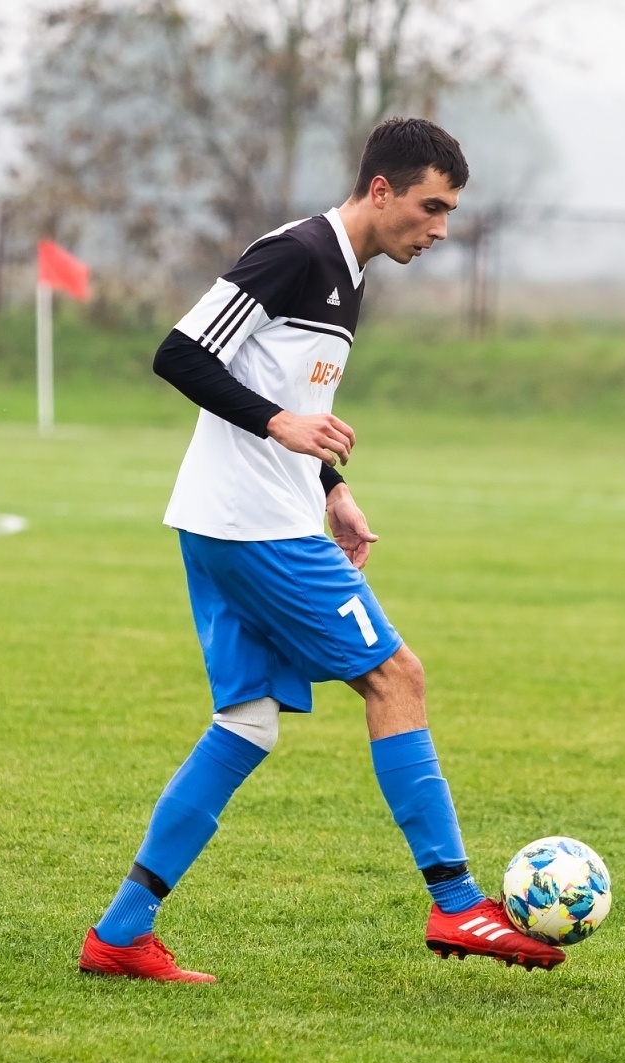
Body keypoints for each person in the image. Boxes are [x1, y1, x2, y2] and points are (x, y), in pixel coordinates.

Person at [78, 118, 565, 982]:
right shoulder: (295, 252)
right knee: (396, 675)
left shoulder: (349, 275)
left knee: (246, 723)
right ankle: (457, 904)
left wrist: (332, 486)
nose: (440, 228)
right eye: (431, 207)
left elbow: (291, 395)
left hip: (246, 517)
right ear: (381, 191)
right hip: (254, 525)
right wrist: (281, 427)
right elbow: (178, 353)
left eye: (447, 211)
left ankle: (121, 931)